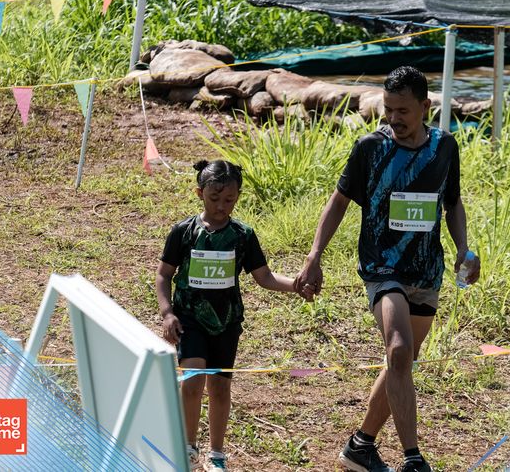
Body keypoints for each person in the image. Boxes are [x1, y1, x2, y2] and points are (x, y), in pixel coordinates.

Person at [295, 66, 480, 472]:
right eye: (388, 109)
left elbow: (452, 202)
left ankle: (361, 446)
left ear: (425, 106)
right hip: (382, 267)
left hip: (426, 270)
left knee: (402, 362)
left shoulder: (444, 147)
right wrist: (314, 255)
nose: (393, 119)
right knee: (398, 349)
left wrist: (464, 248)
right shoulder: (370, 148)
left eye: (403, 111)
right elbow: (338, 201)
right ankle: (413, 458)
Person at [156, 160, 312, 471]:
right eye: (214, 198)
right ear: (200, 193)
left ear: (238, 196)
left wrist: (296, 286)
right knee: (192, 380)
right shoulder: (183, 232)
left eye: (229, 200)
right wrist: (167, 313)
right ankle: (187, 448)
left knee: (220, 387)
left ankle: (216, 454)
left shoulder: (243, 235)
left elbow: (264, 277)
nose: (221, 206)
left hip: (226, 323)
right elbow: (164, 275)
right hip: (189, 319)